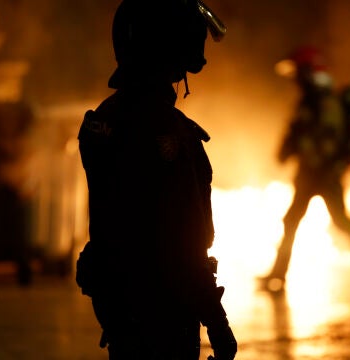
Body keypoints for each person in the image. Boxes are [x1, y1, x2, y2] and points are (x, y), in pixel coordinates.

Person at [75, 1, 237, 359]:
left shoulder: (103, 120)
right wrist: (217, 322)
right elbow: (185, 241)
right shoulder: (168, 133)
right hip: (165, 310)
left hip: (120, 308)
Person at [260, 46, 350, 292]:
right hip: (312, 173)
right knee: (297, 220)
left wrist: (302, 154)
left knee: (332, 220)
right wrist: (287, 150)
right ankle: (278, 275)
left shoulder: (323, 101)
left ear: (306, 72)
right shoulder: (313, 99)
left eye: (297, 73)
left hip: (323, 174)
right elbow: (298, 132)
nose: (294, 79)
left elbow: (315, 135)